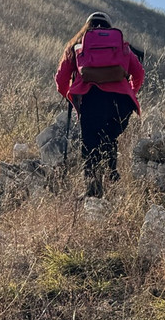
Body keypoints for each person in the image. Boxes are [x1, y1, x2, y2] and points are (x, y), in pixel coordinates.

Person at [55, 11, 144, 196]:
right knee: (108, 138)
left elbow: (61, 79)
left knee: (90, 144)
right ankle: (111, 178)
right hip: (122, 103)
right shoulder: (122, 47)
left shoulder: (76, 47)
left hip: (92, 99)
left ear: (86, 27)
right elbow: (139, 74)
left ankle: (93, 191)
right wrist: (130, 93)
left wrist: (72, 98)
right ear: (109, 29)